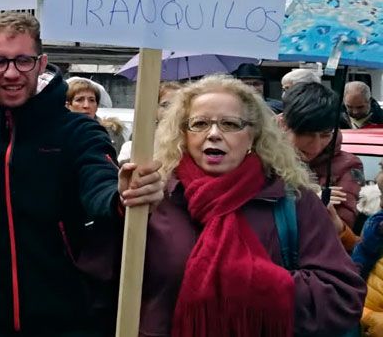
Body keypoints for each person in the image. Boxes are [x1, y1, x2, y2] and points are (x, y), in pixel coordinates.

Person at [0, 13, 164, 336]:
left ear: (41, 63)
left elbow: (99, 182)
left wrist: (121, 195)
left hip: (65, 317)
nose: (11, 73)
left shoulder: (78, 130)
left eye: (23, 61)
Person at [141, 75, 364, 336]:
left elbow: (342, 297)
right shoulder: (155, 198)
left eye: (229, 124)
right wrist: (120, 208)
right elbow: (105, 284)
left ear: (253, 136)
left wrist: (249, 280)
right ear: (182, 134)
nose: (213, 134)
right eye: (199, 124)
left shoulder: (293, 201)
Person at [283, 81, 365, 239]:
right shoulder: (262, 154)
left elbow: (343, 224)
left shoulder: (347, 166)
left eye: (325, 135)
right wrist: (306, 198)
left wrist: (328, 215)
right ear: (285, 125)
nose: (315, 146)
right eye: (306, 134)